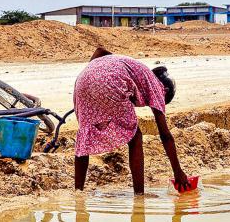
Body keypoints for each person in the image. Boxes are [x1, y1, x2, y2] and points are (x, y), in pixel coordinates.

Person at [73, 47, 189, 194]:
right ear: (164, 91)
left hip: (83, 79)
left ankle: (78, 192)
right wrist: (178, 172)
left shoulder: (140, 71)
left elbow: (99, 50)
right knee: (136, 137)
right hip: (109, 82)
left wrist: (93, 78)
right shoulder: (157, 87)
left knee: (85, 133)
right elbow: (165, 135)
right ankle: (139, 195)